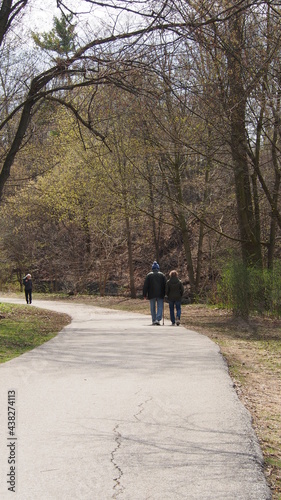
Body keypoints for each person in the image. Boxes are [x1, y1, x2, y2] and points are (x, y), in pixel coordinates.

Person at [143, 261, 166, 325]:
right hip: (160, 293)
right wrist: (165, 293)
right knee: (160, 306)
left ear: (152, 268)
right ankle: (158, 319)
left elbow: (146, 285)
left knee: (152, 307)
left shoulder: (149, 275)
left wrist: (144, 294)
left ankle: (154, 319)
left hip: (151, 294)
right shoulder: (162, 275)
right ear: (158, 268)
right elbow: (165, 285)